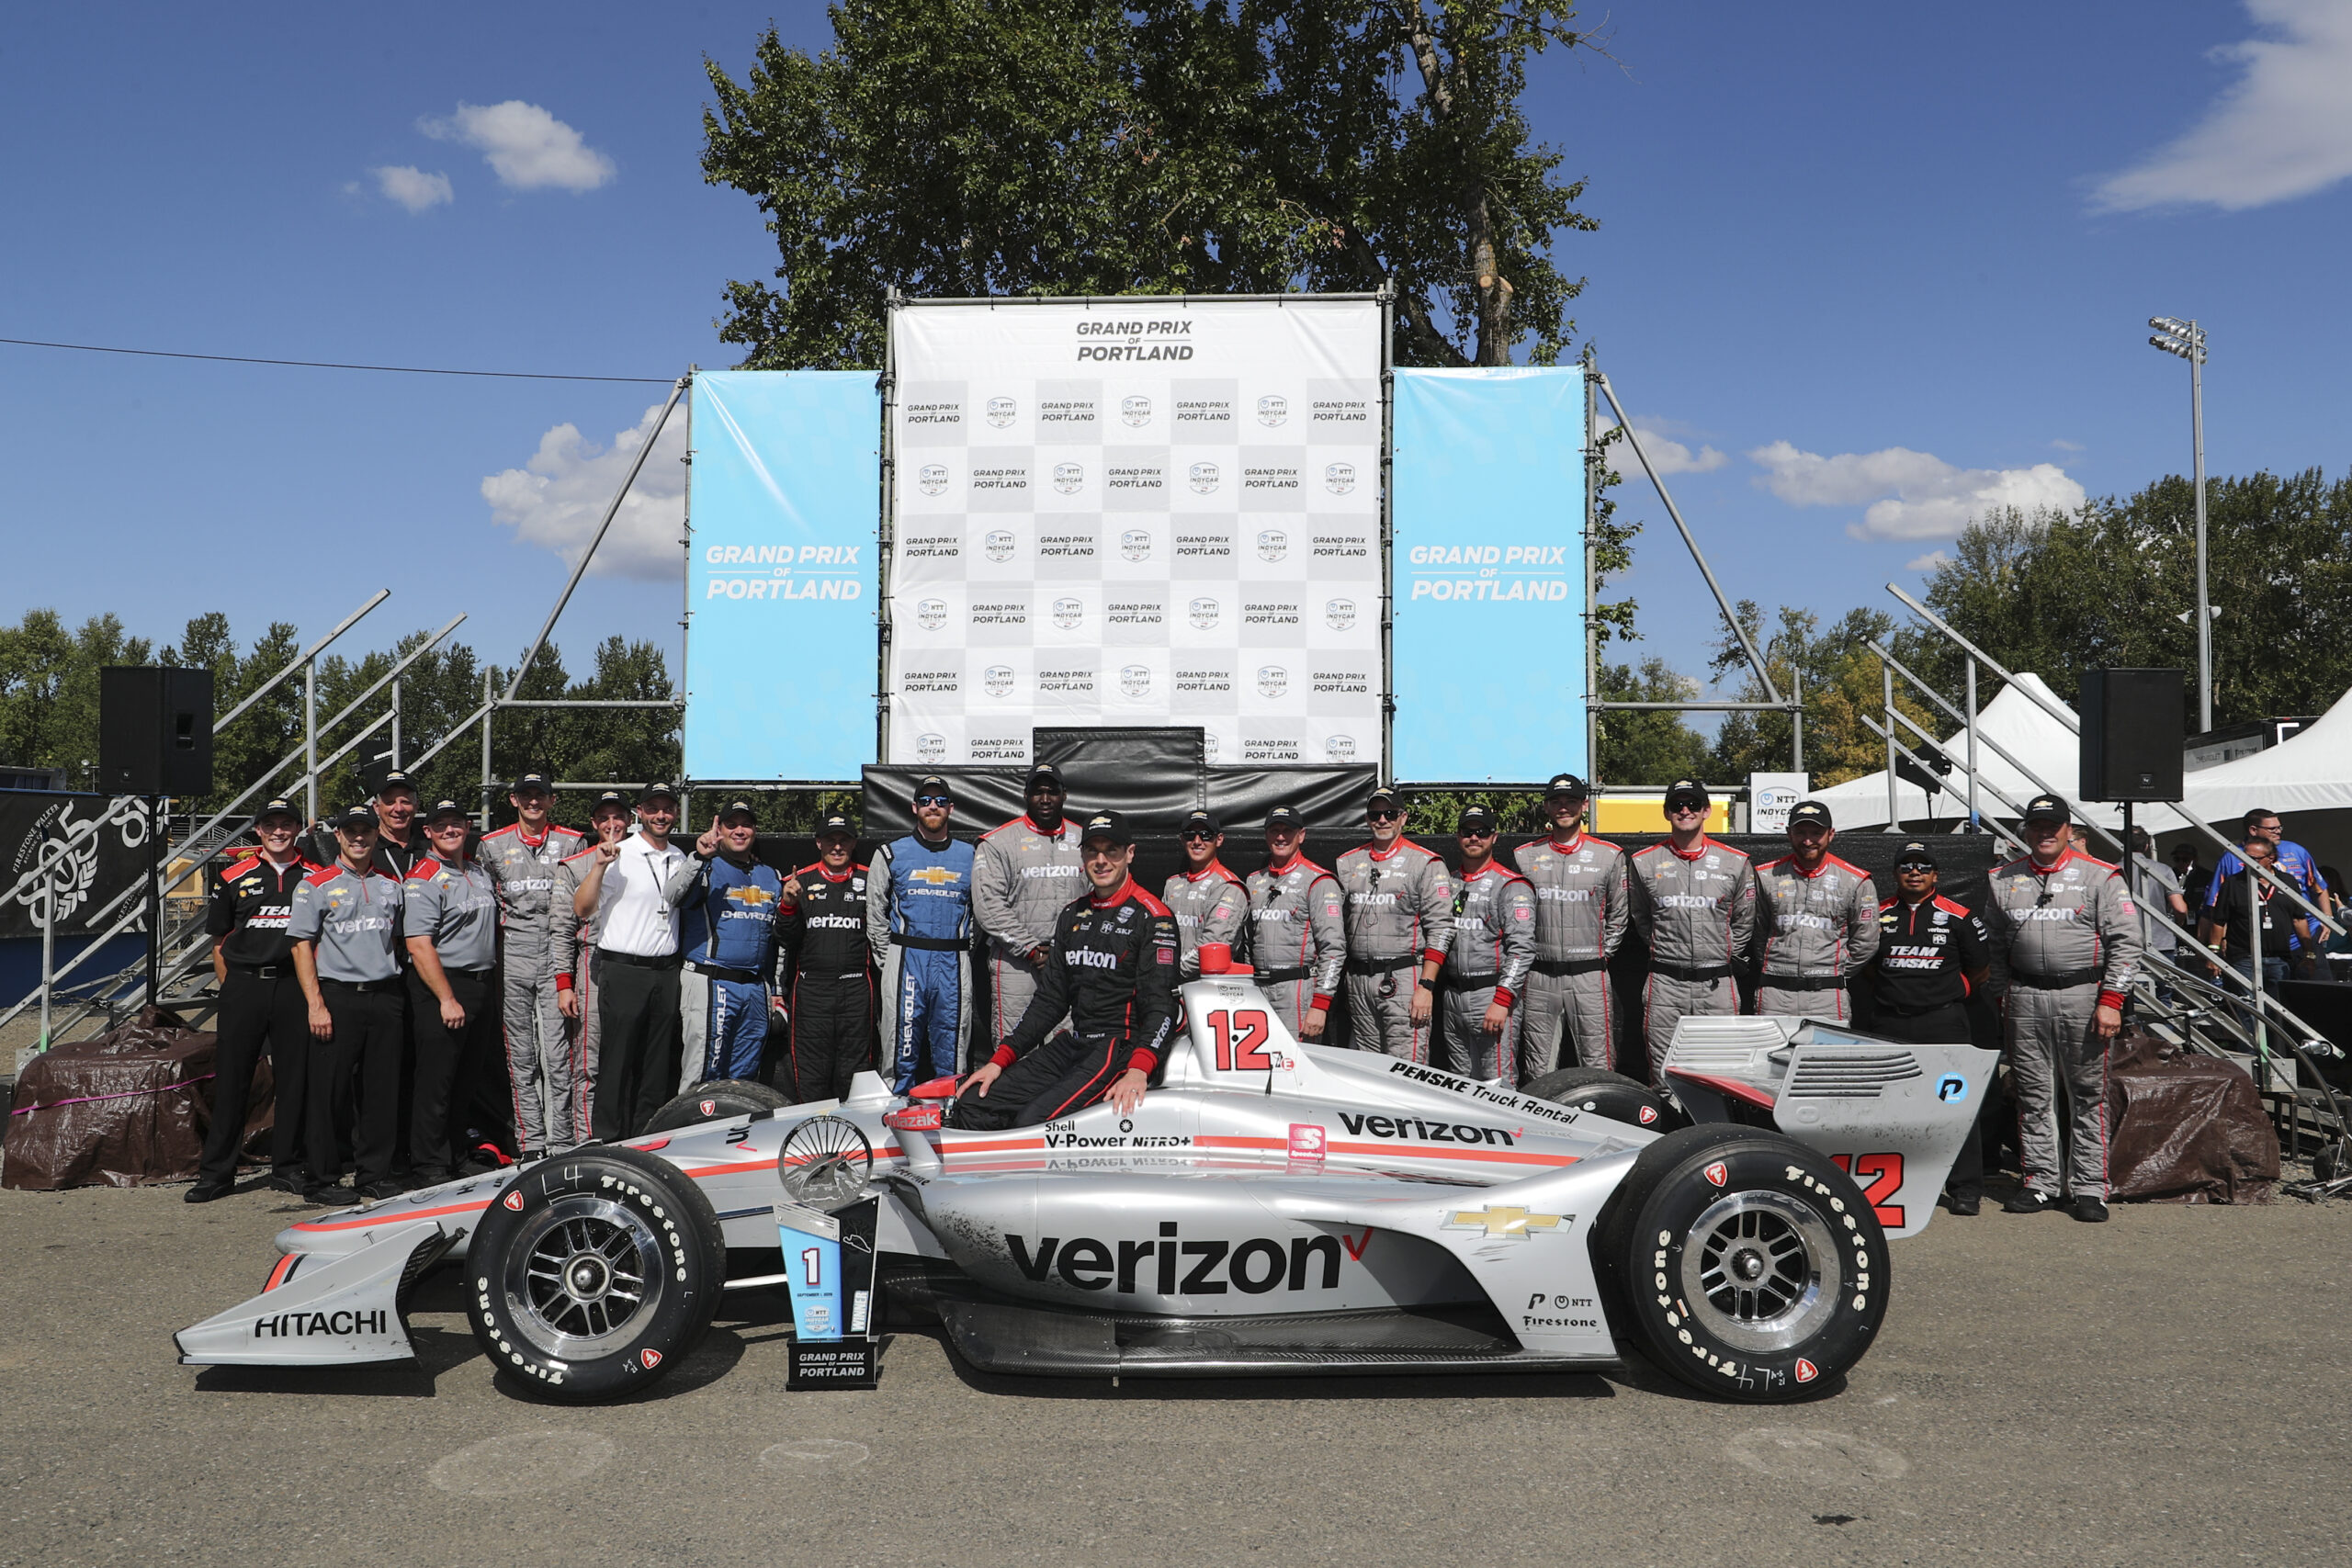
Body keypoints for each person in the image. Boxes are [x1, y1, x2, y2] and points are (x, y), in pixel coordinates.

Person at [948, 810, 1178, 1130]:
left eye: (1111, 850)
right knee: (972, 1102)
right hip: (1074, 1044)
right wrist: (1000, 1060)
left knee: (1034, 1122)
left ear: (1130, 854)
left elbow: (1161, 1004)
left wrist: (1140, 1069)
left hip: (1118, 1049)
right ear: (1082, 855)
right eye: (1092, 851)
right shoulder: (1072, 914)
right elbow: (1049, 1001)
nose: (1101, 860)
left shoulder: (1154, 917)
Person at [1984, 794, 2143, 1224]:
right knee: (2033, 1095)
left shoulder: (2101, 876)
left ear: (2069, 829)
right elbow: (1995, 946)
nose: (2046, 832)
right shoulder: (2003, 878)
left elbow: (2127, 944)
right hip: (2025, 999)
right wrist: (2002, 995)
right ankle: (2040, 1181)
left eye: (2054, 825)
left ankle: (2090, 1186)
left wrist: (2112, 1001)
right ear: (2026, 831)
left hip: (2084, 997)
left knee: (2089, 1096)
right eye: (2037, 826)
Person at [188, 798, 321, 1202]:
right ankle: (217, 1174)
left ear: (298, 829)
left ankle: (287, 1167)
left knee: (295, 1080)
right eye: (270, 825)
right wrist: (232, 988)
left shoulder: (317, 876)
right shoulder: (232, 875)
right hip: (244, 985)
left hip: (293, 985)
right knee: (233, 1080)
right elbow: (219, 942)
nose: (278, 831)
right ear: (258, 830)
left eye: (286, 824)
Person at [1861, 841, 1996, 1216]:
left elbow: (1981, 970)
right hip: (1890, 1022)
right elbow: (1869, 966)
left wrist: (1951, 992)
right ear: (1895, 874)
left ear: (1936, 875)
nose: (1914, 872)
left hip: (1944, 1022)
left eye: (1923, 866)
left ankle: (1966, 1188)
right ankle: (1890, 1184)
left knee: (1954, 1104)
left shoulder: (1960, 916)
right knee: (1888, 1108)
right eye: (1906, 866)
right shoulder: (1880, 914)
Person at [288, 806, 407, 1203]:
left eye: (366, 832)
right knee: (328, 1092)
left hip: (385, 994)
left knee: (380, 1091)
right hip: (338, 995)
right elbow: (301, 945)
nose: (359, 838)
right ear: (337, 835)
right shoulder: (315, 885)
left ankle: (373, 1173)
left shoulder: (392, 884)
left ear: (376, 835)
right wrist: (315, 1003)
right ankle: (320, 1180)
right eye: (351, 831)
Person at [476, 773, 583, 1160]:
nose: (533, 802)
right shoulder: (491, 845)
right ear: (514, 801)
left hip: (557, 951)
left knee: (557, 1056)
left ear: (552, 801)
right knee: (521, 1056)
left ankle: (563, 1141)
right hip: (513, 954)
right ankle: (531, 1143)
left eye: (540, 796)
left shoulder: (573, 841)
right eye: (526, 796)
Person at [571, 783, 687, 1140]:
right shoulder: (618, 853)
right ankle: (607, 1140)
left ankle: (646, 1139)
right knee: (617, 1063)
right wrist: (599, 867)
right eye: (653, 808)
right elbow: (582, 909)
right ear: (640, 812)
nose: (661, 815)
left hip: (666, 971)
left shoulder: (682, 858)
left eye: (667, 809)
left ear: (676, 813)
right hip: (623, 970)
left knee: (655, 1067)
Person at [1627, 780, 1757, 1089]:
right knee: (1663, 1073)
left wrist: (1718, 955)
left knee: (1722, 1072)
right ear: (1666, 812)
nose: (1685, 810)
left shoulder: (1735, 862)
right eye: (1677, 805)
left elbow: (1743, 921)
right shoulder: (1644, 862)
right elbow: (1642, 918)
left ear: (1707, 811)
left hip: (1717, 985)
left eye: (1693, 804)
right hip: (1665, 983)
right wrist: (1671, 950)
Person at [402, 800, 504, 1187]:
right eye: (440, 825)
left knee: (466, 1080)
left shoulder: (477, 872)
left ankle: (456, 1157)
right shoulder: (423, 877)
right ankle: (429, 1164)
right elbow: (418, 944)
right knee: (436, 1082)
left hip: (479, 984)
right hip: (442, 986)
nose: (450, 830)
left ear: (468, 827)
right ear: (427, 832)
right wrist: (446, 998)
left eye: (457, 824)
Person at [1511, 773, 1629, 1077]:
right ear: (1547, 807)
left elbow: (1620, 915)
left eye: (1571, 801)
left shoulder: (1609, 855)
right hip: (1539, 975)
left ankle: (1601, 1124)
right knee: (1537, 1069)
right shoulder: (1525, 856)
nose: (1564, 807)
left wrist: (1600, 955)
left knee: (1598, 1065)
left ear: (1584, 805)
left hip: (1589, 975)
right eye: (1556, 802)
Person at [668, 798, 789, 1090]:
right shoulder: (705, 866)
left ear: (755, 830)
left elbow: (777, 942)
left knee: (744, 1078)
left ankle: (736, 1136)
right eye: (731, 824)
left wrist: (775, 991)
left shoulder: (771, 876)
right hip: (711, 981)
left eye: (745, 825)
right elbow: (673, 897)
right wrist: (698, 856)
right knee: (703, 1075)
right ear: (719, 828)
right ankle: (691, 1134)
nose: (739, 830)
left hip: (754, 988)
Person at [867, 776, 977, 1092]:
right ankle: (892, 1113)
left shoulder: (971, 856)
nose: (933, 806)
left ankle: (951, 1116)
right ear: (915, 807)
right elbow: (874, 912)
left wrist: (964, 949)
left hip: (953, 961)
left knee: (953, 1049)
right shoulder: (890, 853)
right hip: (906, 960)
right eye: (926, 801)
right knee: (899, 1044)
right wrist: (890, 962)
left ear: (950, 809)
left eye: (940, 801)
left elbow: (981, 913)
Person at [1336, 785, 1453, 1063]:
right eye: (1375, 814)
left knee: (1407, 1069)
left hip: (1404, 977)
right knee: (1367, 1069)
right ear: (1367, 819)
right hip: (1358, 979)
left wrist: (1426, 986)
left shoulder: (1426, 862)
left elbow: (1442, 927)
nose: (1382, 820)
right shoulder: (1347, 862)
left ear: (1403, 817)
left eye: (1389, 813)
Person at [973, 762, 1086, 1053]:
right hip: (1016, 966)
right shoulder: (998, 842)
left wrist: (1064, 952)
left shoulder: (1085, 840)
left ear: (1064, 795)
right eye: (1038, 792)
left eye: (1052, 792)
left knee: (1065, 1052)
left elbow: (1095, 902)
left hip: (1068, 964)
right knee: (1015, 1052)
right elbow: (989, 907)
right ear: (1025, 795)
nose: (1045, 799)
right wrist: (1032, 950)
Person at [547, 791, 629, 1150]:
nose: (612, 824)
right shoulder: (575, 865)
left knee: (628, 1059)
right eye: (604, 818)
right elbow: (562, 929)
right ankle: (585, 1142)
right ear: (594, 824)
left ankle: (626, 1139)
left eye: (618, 817)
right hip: (591, 963)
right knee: (587, 1061)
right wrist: (564, 984)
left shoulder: (647, 858)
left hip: (633, 966)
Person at [777, 813, 876, 1102]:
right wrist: (788, 905)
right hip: (812, 992)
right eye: (830, 840)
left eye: (843, 840)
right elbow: (784, 940)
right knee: (811, 1078)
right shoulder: (798, 881)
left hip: (856, 990)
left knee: (854, 1077)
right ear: (818, 843)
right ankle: (813, 1143)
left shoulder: (872, 880)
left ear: (853, 843)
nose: (836, 847)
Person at [1750, 801, 1878, 1021]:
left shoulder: (1855, 880)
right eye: (1800, 832)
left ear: (1831, 834)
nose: (1807, 841)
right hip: (1775, 992)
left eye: (1816, 833)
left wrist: (1832, 972)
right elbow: (1757, 931)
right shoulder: (1765, 876)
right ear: (1789, 833)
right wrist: (1778, 968)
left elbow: (1867, 941)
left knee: (1824, 1056)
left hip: (1827, 995)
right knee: (1769, 1055)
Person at [1439, 806, 1535, 1082]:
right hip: (1452, 997)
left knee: (1498, 1084)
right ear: (1458, 837)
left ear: (1494, 837)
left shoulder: (1510, 885)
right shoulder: (1448, 883)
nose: (1474, 838)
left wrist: (1502, 1001)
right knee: (1458, 1084)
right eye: (1468, 832)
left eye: (1481, 832)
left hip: (1491, 994)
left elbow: (1522, 949)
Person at [1246, 805, 1345, 1042]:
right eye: (1274, 830)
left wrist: (1321, 1004)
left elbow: (1334, 949)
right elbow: (1248, 943)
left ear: (1301, 835)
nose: (1280, 837)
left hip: (1298, 992)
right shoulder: (1253, 881)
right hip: (1258, 991)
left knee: (1296, 1069)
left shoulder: (1319, 880)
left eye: (1287, 831)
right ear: (1266, 835)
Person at [2198, 835, 2313, 992]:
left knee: (2278, 1009)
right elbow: (2219, 920)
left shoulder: (2287, 882)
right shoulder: (2233, 883)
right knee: (2247, 1008)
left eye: (2255, 859)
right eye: (2245, 858)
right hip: (2243, 958)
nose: (2248, 862)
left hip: (2280, 957)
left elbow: (2299, 919)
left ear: (2271, 858)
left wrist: (2309, 953)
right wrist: (2214, 954)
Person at [1163, 808, 1249, 978]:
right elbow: (1160, 934)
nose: (1197, 841)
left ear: (1219, 840)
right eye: (1190, 835)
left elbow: (1212, 945)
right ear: (1181, 839)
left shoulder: (1228, 886)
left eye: (1205, 835)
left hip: (1207, 986)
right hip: (1169, 986)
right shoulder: (1172, 884)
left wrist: (1167, 971)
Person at [2171, 842, 2211, 910]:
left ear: (2195, 860)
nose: (2181, 863)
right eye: (2177, 859)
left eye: (2185, 860)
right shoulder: (2170, 874)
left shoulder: (2206, 876)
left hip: (2199, 916)